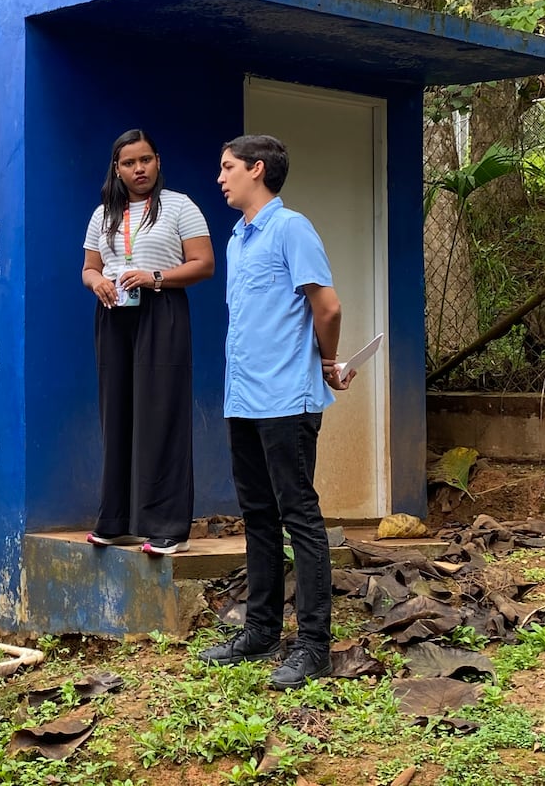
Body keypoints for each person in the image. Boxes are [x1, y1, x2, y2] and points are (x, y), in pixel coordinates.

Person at [203, 134, 352, 689]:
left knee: (299, 515)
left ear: (257, 169)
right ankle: (261, 631)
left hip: (287, 399)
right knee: (258, 515)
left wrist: (329, 360)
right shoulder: (237, 239)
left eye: (228, 167)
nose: (220, 177)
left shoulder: (292, 228)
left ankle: (313, 645)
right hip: (243, 399)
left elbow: (327, 307)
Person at [81, 129, 215, 555]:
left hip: (161, 309)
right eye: (129, 163)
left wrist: (156, 276)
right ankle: (117, 521)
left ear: (158, 161)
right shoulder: (103, 215)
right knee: (116, 413)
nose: (138, 169)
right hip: (114, 313)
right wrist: (98, 282)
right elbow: (88, 268)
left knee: (161, 413)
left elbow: (204, 264)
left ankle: (167, 526)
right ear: (116, 169)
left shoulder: (180, 206)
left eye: (145, 160)